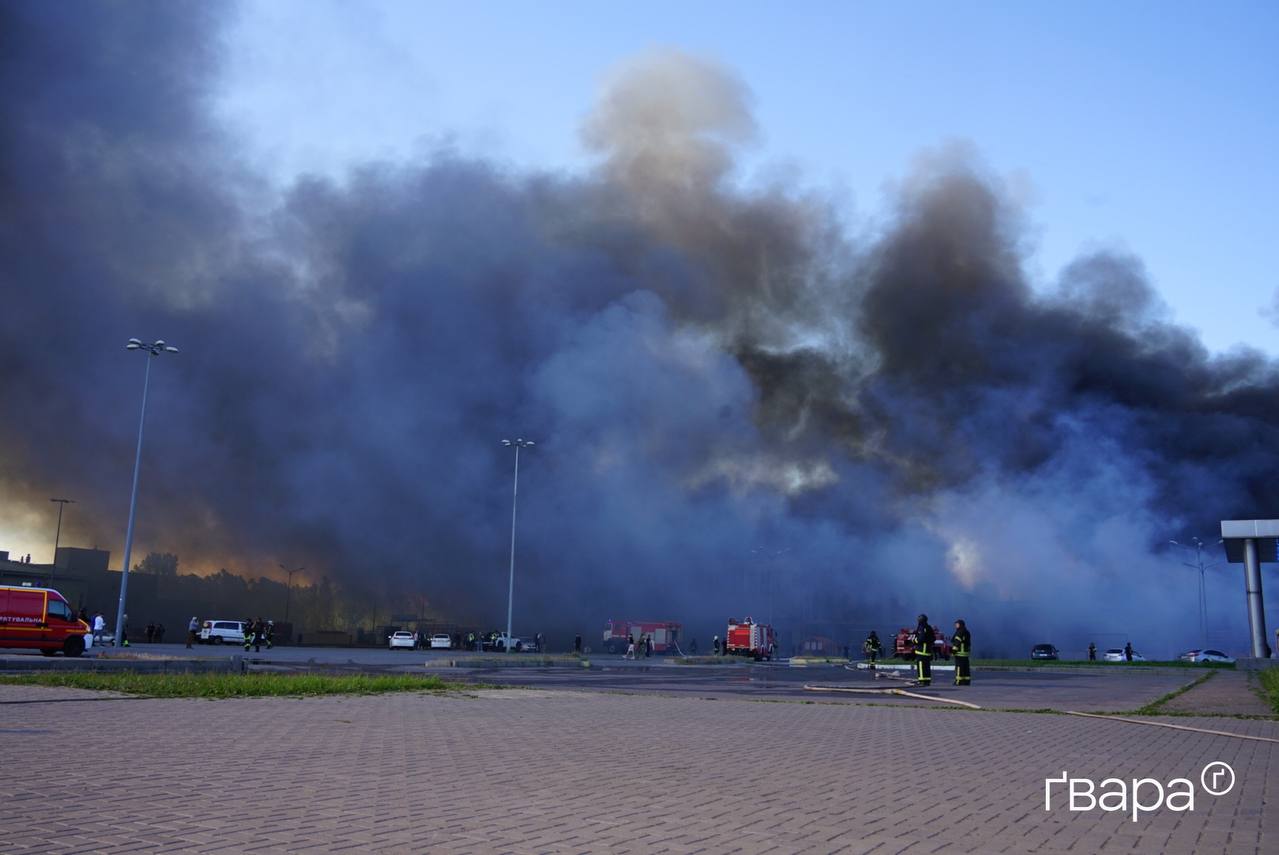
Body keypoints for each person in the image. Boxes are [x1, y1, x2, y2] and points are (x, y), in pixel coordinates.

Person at [911, 614, 933, 686]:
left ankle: (922, 681)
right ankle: (927, 681)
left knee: (921, 666)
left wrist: (914, 640)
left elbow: (921, 639)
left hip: (921, 650)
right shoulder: (929, 627)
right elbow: (933, 638)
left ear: (920, 620)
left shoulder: (922, 627)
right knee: (926, 666)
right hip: (927, 650)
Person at [951, 619, 972, 686]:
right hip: (965, 653)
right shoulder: (967, 632)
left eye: (957, 624)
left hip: (960, 653)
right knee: (965, 667)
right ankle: (966, 681)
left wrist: (953, 651)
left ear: (960, 625)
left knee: (959, 667)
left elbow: (957, 642)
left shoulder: (960, 632)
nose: (956, 625)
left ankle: (958, 681)